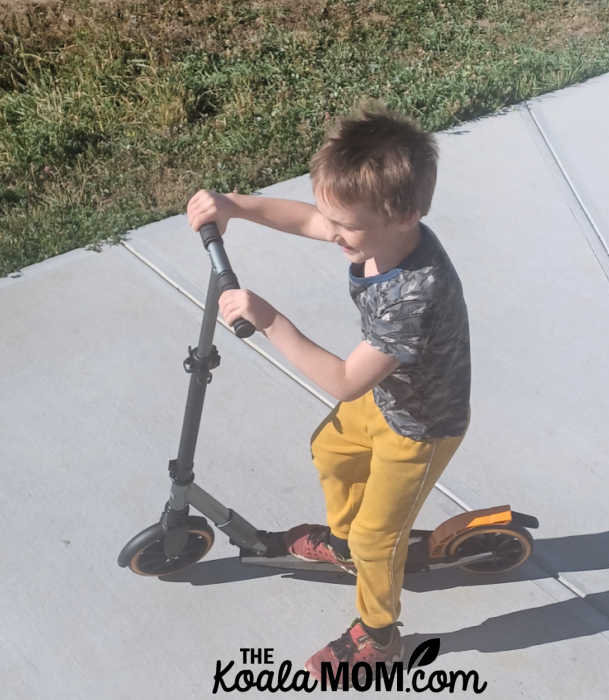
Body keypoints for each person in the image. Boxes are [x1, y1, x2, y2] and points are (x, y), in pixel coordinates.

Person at [186, 98, 471, 681]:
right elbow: (310, 219)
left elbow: (344, 381)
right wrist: (235, 206)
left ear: (406, 213)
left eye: (346, 228)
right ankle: (344, 547)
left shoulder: (416, 294)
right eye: (333, 222)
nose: (332, 235)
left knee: (378, 535)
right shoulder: (376, 232)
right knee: (331, 451)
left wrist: (269, 319)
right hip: (389, 395)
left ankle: (379, 633)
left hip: (421, 424)